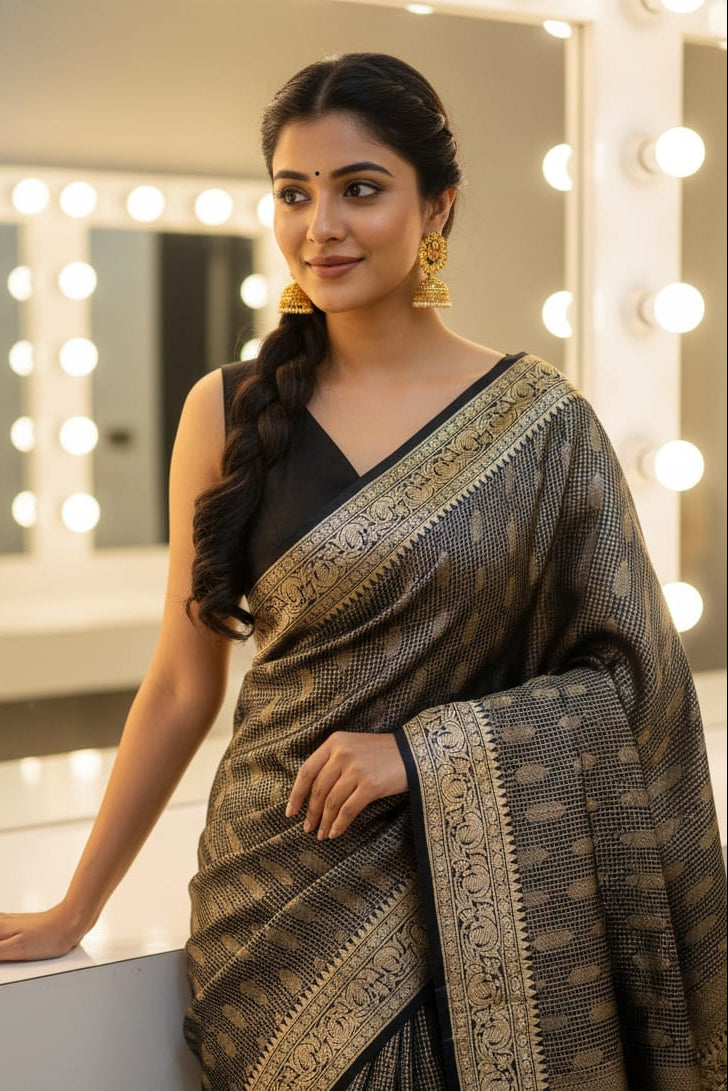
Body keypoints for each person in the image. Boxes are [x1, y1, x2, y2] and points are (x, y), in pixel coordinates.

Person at [1, 51, 725, 1091]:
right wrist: (77, 904)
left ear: (438, 206)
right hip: (274, 898)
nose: (319, 227)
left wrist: (424, 752)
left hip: (473, 908)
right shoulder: (228, 409)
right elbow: (178, 681)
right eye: (293, 193)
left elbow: (633, 689)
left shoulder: (542, 427)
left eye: (360, 188)